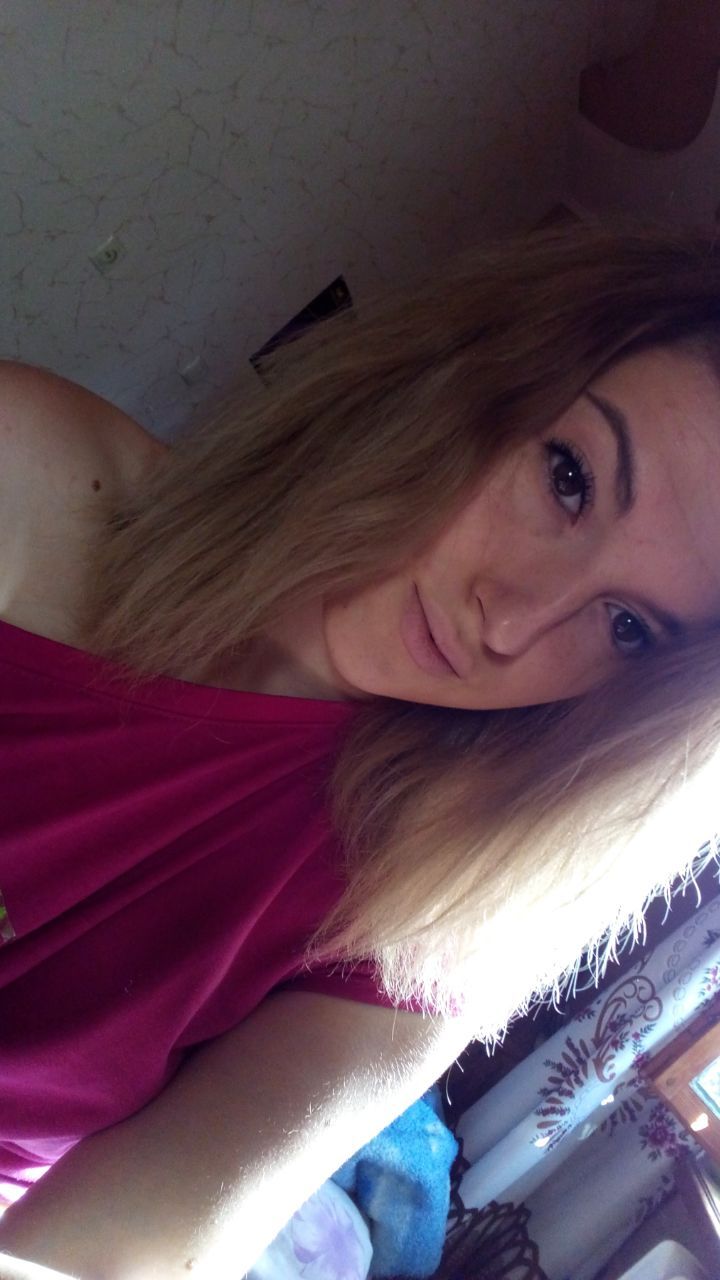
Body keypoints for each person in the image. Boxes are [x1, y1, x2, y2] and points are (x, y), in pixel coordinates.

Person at [1, 221, 720, 1280]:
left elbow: (131, 1248)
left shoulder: (419, 930)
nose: (511, 620)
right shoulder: (34, 482)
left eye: (627, 626)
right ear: (475, 373)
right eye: (568, 477)